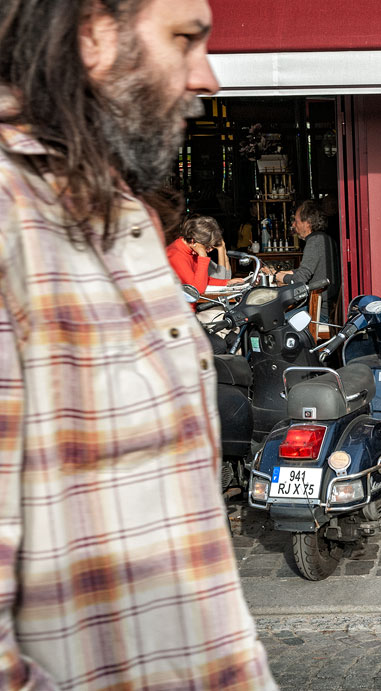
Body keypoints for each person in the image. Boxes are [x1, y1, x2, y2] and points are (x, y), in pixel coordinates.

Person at [0, 1, 275, 688]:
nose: (208, 76)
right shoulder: (13, 222)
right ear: (94, 33)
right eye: (183, 39)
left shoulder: (116, 215)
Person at [266, 199, 338, 322]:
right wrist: (281, 273)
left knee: (273, 322)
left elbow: (299, 279)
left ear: (308, 223)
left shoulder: (315, 241)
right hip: (324, 307)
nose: (293, 225)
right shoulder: (325, 238)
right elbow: (308, 270)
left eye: (296, 221)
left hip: (318, 313)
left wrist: (276, 276)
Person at [166, 214, 243, 295]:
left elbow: (202, 280)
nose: (209, 250)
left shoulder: (191, 249)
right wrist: (203, 257)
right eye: (207, 247)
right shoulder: (176, 255)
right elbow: (197, 289)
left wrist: (227, 282)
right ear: (193, 241)